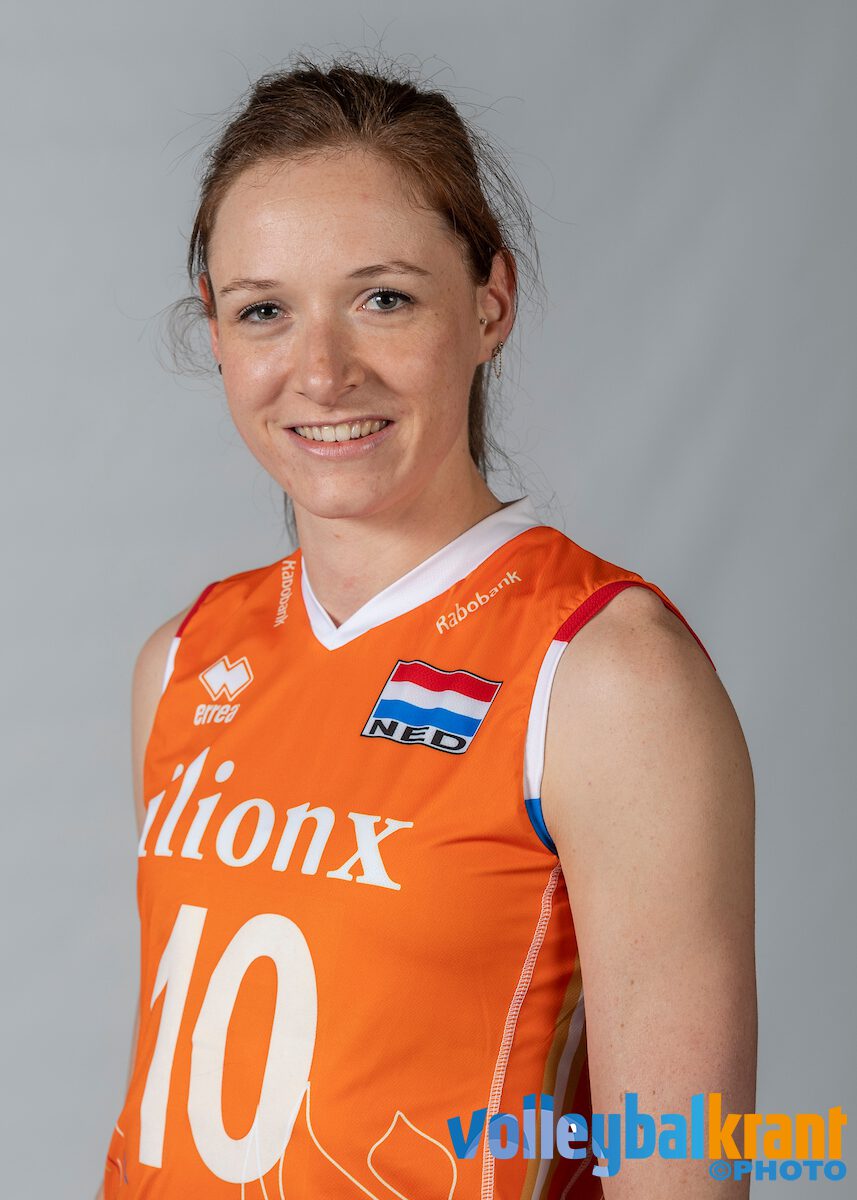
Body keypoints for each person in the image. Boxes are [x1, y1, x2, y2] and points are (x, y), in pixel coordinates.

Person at [98, 52, 756, 1199]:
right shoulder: (187, 658)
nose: (320, 372)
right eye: (264, 312)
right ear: (215, 333)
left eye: (383, 299)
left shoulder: (604, 675)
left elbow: (682, 1168)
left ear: (489, 304)